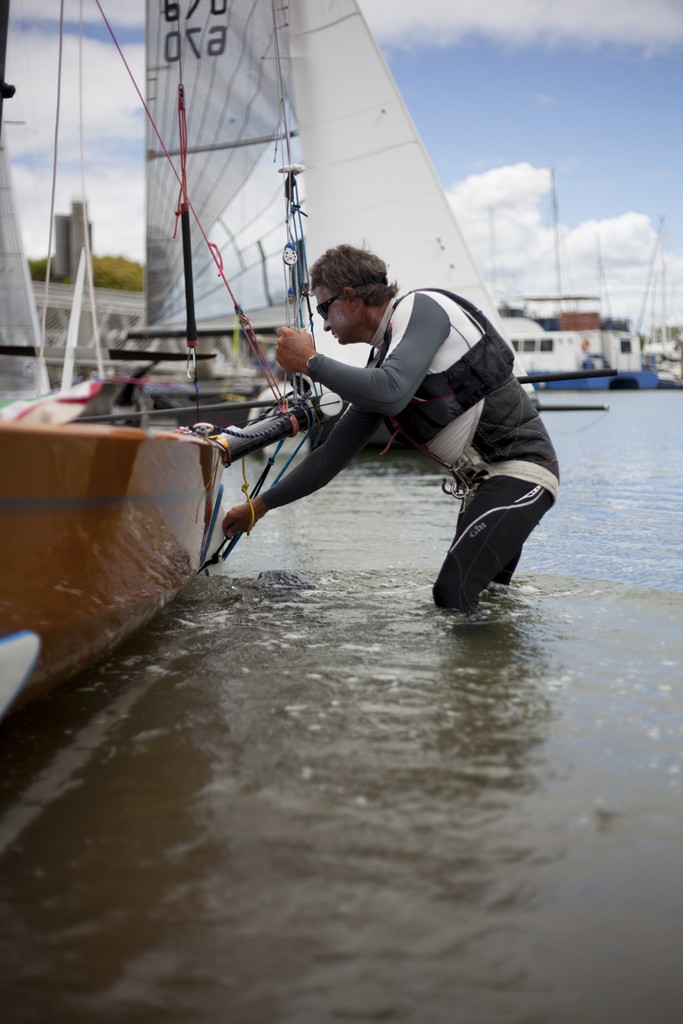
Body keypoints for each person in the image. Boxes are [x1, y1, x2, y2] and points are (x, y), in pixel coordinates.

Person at [222, 244, 559, 613]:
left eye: (323, 308)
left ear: (350, 297)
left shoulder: (422, 308)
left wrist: (311, 362)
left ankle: (467, 674)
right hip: (483, 485)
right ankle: (491, 671)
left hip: (521, 473)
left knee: (451, 592)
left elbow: (392, 392)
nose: (323, 323)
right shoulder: (384, 359)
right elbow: (332, 455)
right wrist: (259, 506)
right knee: (491, 601)